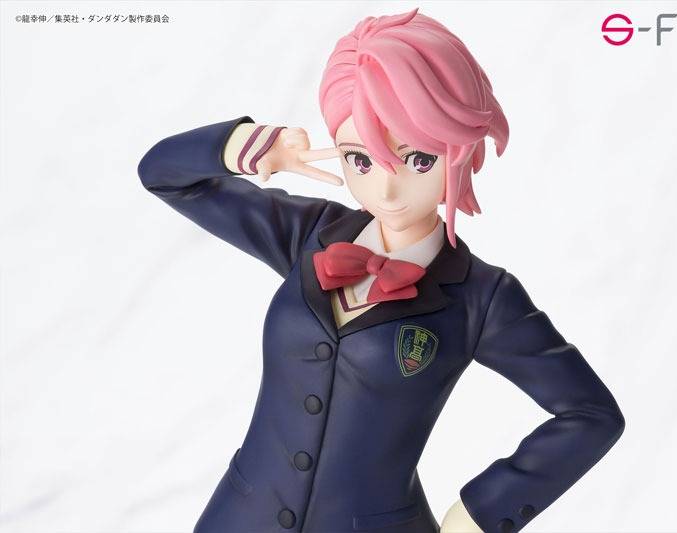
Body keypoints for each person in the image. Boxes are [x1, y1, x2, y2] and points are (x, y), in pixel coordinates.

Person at [137, 8, 624, 533]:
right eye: (361, 160)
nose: (387, 189)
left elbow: (590, 414)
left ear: (461, 150)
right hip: (241, 517)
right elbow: (164, 175)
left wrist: (479, 513)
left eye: (420, 160)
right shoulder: (310, 234)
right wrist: (252, 147)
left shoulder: (482, 298)